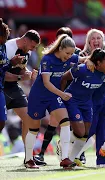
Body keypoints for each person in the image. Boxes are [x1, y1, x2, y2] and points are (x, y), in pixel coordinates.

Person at [24, 34, 88, 169]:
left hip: (54, 96)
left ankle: (65, 158)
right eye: (68, 53)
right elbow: (46, 83)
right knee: (34, 129)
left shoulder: (70, 58)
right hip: (39, 96)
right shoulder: (47, 59)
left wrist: (92, 60)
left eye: (72, 53)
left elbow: (83, 59)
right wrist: (62, 94)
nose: (70, 56)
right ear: (60, 48)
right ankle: (28, 159)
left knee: (65, 122)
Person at [60, 48, 105, 165]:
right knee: (80, 131)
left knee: (86, 134)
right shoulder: (82, 69)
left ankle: (71, 158)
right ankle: (63, 143)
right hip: (72, 101)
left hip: (87, 103)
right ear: (98, 63)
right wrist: (62, 94)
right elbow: (64, 77)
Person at [4, 30, 40, 144]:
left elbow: (22, 68)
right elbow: (2, 74)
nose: (33, 49)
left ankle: (28, 155)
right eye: (32, 46)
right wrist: (21, 78)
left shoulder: (27, 52)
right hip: (2, 87)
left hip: (13, 87)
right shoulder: (8, 48)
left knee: (29, 118)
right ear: (25, 40)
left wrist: (29, 73)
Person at [0, 18, 24, 132]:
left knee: (1, 121)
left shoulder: (3, 47)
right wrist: (11, 63)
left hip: (0, 88)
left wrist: (13, 63)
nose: (7, 39)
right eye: (6, 36)